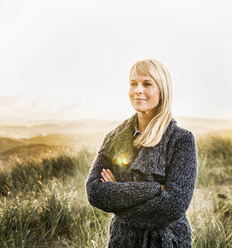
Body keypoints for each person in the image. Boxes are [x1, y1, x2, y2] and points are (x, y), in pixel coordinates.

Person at [85, 58, 198, 248]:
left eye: (147, 84)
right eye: (133, 83)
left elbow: (173, 206)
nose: (138, 90)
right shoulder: (114, 137)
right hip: (122, 241)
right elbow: (95, 192)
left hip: (167, 242)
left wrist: (118, 195)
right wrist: (155, 189)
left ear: (162, 91)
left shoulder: (181, 140)